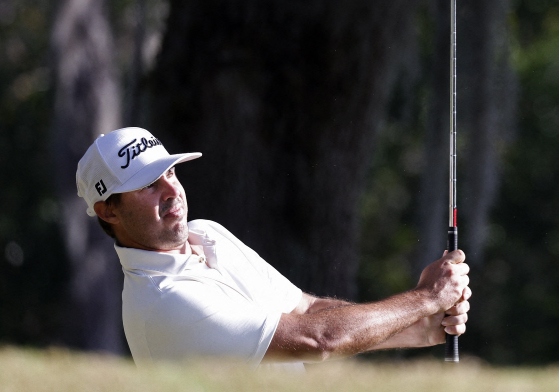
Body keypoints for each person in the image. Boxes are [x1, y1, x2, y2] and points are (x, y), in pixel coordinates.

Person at [75, 127, 470, 366]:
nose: (171, 190)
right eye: (148, 184)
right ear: (108, 211)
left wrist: (418, 327)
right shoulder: (162, 302)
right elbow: (317, 340)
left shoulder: (207, 234)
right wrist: (424, 299)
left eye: (171, 171)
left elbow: (307, 310)